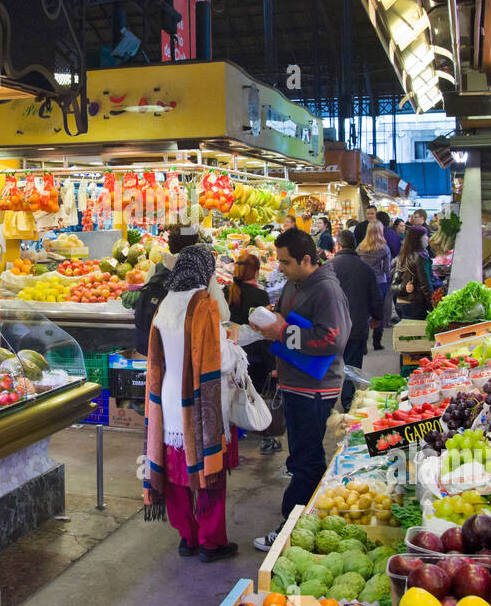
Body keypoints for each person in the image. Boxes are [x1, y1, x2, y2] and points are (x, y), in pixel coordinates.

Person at [249, 228, 350, 550]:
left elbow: (332, 339)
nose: (280, 267)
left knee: (306, 459)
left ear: (307, 259)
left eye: (286, 262)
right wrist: (271, 328)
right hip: (295, 381)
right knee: (300, 456)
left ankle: (293, 526)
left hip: (314, 387)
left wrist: (283, 334)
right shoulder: (297, 283)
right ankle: (307, 518)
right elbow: (289, 323)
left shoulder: (327, 290)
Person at [143, 246, 238, 562]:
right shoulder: (203, 305)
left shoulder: (165, 303)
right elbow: (219, 362)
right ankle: (212, 542)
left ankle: (188, 536)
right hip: (200, 403)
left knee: (176, 475)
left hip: (168, 401)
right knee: (209, 475)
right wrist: (235, 347)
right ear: (205, 271)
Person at [226, 251, 279, 453]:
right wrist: (273, 364)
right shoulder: (259, 295)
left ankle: (234, 437)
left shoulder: (226, 292)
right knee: (253, 398)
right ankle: (265, 439)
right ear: (256, 272)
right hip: (254, 358)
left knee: (234, 397)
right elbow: (265, 333)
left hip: (231, 355)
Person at [330, 230, 384, 410]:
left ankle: (326, 402)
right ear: (355, 245)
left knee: (329, 367)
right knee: (352, 367)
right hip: (356, 327)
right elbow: (376, 298)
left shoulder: (328, 267)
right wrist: (377, 318)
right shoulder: (365, 269)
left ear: (338, 245)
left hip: (331, 328)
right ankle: (348, 403)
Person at [132, 225, 192, 354]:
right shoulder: (203, 272)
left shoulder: (157, 268)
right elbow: (223, 313)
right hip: (187, 342)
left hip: (158, 338)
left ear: (170, 245)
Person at [358, 220, 392, 350]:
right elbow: (386, 270)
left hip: (364, 283)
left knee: (365, 313)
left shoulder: (360, 247)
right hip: (379, 282)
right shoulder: (384, 248)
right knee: (379, 312)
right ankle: (377, 343)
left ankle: (364, 345)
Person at [393, 227, 434, 320]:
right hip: (415, 304)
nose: (427, 238)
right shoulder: (420, 257)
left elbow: (393, 284)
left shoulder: (401, 256)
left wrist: (404, 287)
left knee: (406, 332)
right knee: (416, 333)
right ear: (418, 239)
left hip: (401, 302)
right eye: (425, 236)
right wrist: (432, 305)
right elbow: (426, 285)